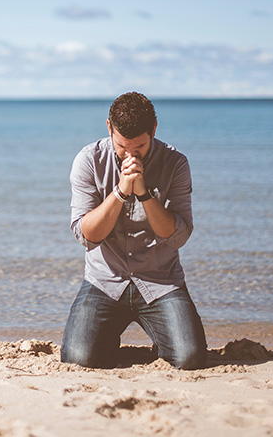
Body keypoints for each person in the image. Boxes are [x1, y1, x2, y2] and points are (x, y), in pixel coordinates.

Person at [60, 92, 208, 369]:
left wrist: (143, 194)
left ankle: (161, 337)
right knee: (77, 360)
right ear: (109, 128)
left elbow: (177, 236)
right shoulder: (89, 160)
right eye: (122, 146)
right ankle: (105, 340)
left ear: (153, 129)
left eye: (139, 147)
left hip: (160, 282)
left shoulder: (175, 163)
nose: (130, 155)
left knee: (190, 359)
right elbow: (86, 235)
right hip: (104, 281)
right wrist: (119, 192)